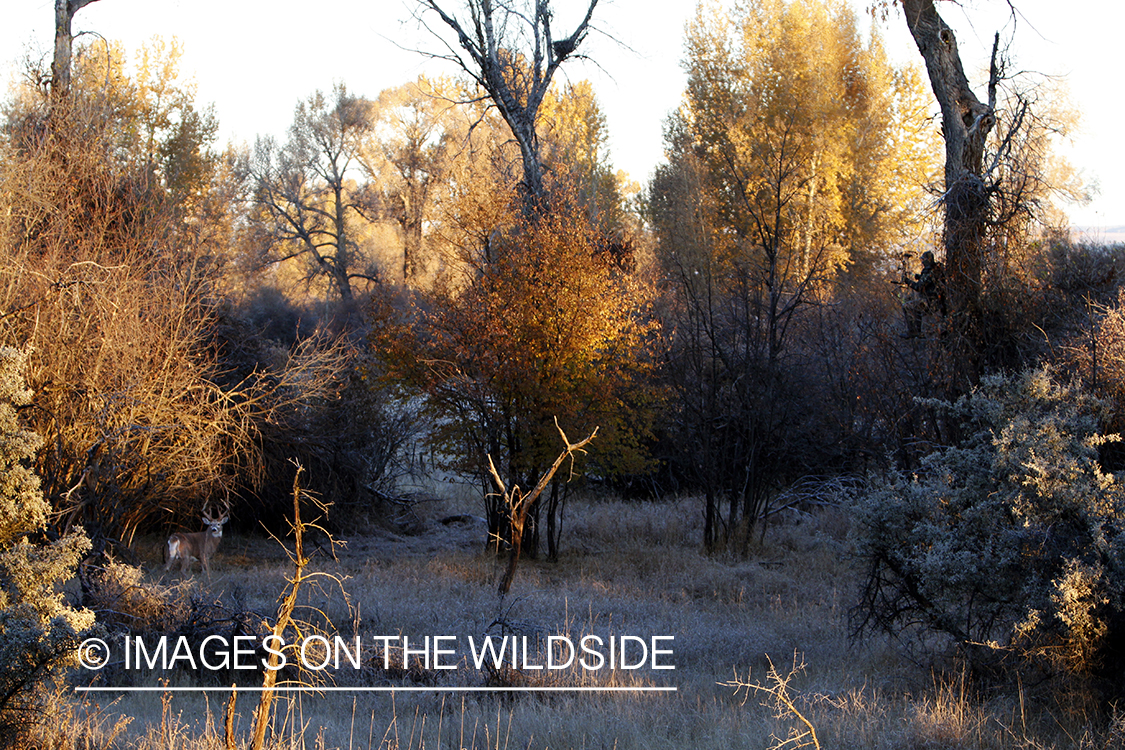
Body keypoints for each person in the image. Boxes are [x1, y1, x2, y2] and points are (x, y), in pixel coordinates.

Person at [903, 251, 945, 338]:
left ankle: (914, 332)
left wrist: (907, 281)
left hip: (931, 302)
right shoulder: (935, 270)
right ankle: (917, 332)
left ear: (929, 260)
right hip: (934, 302)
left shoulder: (931, 271)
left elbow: (919, 287)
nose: (922, 262)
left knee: (907, 306)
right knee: (914, 305)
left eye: (924, 260)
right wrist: (919, 276)